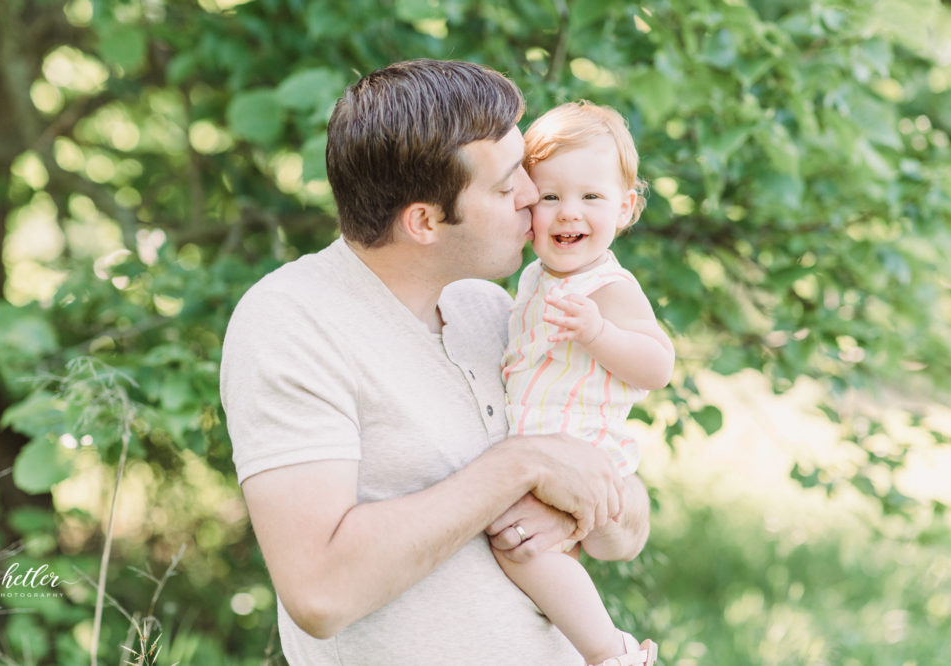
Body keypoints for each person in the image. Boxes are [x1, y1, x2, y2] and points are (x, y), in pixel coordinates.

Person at [220, 60, 652, 665]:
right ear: (423, 221)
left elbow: (627, 528)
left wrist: (581, 512)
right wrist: (520, 466)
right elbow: (318, 592)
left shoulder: (491, 306)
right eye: (507, 187)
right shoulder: (292, 323)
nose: (535, 197)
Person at [495, 101, 674, 666]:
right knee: (531, 551)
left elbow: (658, 364)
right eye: (551, 196)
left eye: (591, 197)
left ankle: (611, 651)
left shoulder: (610, 286)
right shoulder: (531, 278)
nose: (569, 212)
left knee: (522, 548)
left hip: (582, 449)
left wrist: (598, 333)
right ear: (527, 205)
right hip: (541, 447)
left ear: (625, 208)